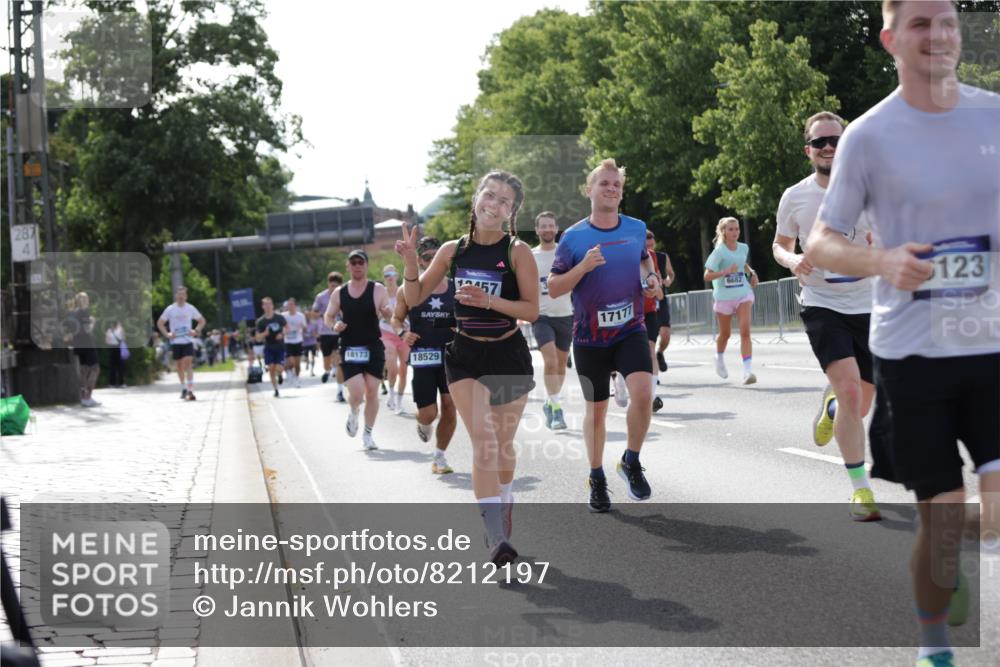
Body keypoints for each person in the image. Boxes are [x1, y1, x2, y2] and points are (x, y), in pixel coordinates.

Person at [805, 3, 999, 664]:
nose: (938, 34)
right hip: (914, 354)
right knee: (942, 520)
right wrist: (884, 260)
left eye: (946, 21)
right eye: (920, 23)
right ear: (890, 39)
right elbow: (823, 240)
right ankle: (934, 638)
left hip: (993, 343)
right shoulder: (868, 135)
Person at [398, 170, 538, 566]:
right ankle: (495, 536)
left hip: (508, 354)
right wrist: (411, 263)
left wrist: (488, 301)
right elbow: (414, 296)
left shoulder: (517, 252)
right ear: (476, 198)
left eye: (503, 201)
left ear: (511, 212)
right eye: (489, 195)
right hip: (465, 356)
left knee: (504, 446)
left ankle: (504, 503)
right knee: (485, 441)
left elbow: (531, 309)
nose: (493, 204)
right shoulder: (452, 250)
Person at [773, 110, 881, 521]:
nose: (829, 147)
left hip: (869, 303)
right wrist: (791, 259)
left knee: (860, 404)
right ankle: (860, 489)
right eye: (820, 142)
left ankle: (831, 409)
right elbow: (779, 244)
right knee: (852, 391)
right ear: (809, 150)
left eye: (836, 139)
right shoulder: (795, 196)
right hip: (822, 302)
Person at [547, 158, 661, 513]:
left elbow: (644, 261)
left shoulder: (636, 228)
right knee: (596, 412)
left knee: (643, 393)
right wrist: (583, 266)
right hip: (590, 339)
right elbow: (552, 288)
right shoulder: (574, 237)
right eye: (605, 184)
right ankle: (596, 476)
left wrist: (652, 279)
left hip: (630, 329)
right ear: (590, 190)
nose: (612, 189)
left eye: (617, 185)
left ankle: (631, 460)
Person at [392, 236, 458, 474]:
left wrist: (459, 326)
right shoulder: (407, 290)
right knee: (430, 414)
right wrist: (402, 332)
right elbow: (396, 318)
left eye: (436, 257)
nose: (432, 262)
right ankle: (423, 422)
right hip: (423, 355)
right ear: (418, 260)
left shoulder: (456, 287)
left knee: (450, 406)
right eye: (427, 258)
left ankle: (439, 457)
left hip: (452, 355)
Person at [325, 250, 393, 451]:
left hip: (373, 345)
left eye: (360, 262)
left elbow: (388, 314)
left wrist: (388, 313)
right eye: (353, 262)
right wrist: (334, 325)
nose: (357, 265)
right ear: (348, 266)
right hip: (350, 347)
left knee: (372, 391)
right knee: (357, 392)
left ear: (366, 265)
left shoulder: (377, 289)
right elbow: (328, 316)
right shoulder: (340, 293)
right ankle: (354, 411)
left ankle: (368, 434)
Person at [704, 217, 759, 384]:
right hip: (723, 298)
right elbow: (707, 275)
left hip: (743, 293)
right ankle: (719, 357)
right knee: (725, 334)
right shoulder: (719, 252)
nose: (735, 232)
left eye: (737, 229)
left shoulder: (744, 247)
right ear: (724, 232)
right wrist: (725, 272)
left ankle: (747, 371)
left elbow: (742, 263)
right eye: (731, 229)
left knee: (745, 331)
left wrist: (752, 272)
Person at [531, 212, 574, 430]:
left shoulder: (565, 253)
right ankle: (557, 410)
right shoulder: (530, 256)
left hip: (565, 314)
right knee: (550, 362)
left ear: (556, 229)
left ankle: (550, 401)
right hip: (541, 316)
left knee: (560, 364)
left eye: (551, 226)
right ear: (537, 230)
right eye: (543, 226)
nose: (547, 229)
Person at [157, 286, 206, 401]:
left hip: (188, 341)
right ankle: (183, 387)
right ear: (176, 296)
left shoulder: (190, 308)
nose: (181, 297)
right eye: (179, 295)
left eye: (183, 295)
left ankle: (190, 390)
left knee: (188, 363)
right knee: (179, 366)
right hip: (175, 342)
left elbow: (202, 321)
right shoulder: (170, 309)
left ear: (186, 296)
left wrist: (196, 331)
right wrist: (167, 334)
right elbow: (160, 323)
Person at [379, 264, 410, 414]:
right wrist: (383, 315)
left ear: (397, 275)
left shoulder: (404, 291)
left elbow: (412, 311)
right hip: (386, 333)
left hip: (404, 334)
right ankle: (390, 394)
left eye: (392, 273)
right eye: (386, 275)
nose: (390, 277)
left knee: (404, 371)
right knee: (392, 367)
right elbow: (374, 315)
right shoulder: (380, 293)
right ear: (383, 278)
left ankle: (399, 402)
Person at [641, 231, 666, 412]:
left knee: (650, 351)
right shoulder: (619, 256)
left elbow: (656, 282)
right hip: (627, 313)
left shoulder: (651, 257)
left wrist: (656, 288)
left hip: (649, 311)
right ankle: (618, 382)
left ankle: (652, 397)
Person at [314, 272, 346, 402]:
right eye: (332, 285)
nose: (334, 288)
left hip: (339, 332)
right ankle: (328, 371)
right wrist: (326, 314)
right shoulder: (321, 297)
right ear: (328, 284)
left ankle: (340, 391)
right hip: (325, 332)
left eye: (336, 285)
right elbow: (314, 313)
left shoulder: (344, 295)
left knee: (339, 360)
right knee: (327, 360)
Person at [68, 292, 100, 407]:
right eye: (86, 299)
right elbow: (88, 330)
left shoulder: (73, 313)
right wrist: (93, 322)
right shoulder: (85, 312)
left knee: (84, 370)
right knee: (95, 368)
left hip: (78, 345)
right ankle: (88, 396)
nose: (87, 301)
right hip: (87, 344)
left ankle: (84, 397)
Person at [254, 297, 288, 398]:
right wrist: (265, 333)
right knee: (271, 368)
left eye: (269, 304)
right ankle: (276, 389)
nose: (268, 307)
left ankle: (280, 374)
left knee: (279, 367)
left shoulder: (279, 317)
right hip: (269, 347)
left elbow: (287, 328)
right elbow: (257, 338)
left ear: (272, 306)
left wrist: (282, 334)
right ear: (263, 307)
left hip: (280, 346)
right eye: (266, 305)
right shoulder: (261, 321)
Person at [653, 241, 676, 373]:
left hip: (660, 300)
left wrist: (668, 280)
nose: (650, 245)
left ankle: (659, 353)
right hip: (643, 301)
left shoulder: (662, 257)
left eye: (652, 242)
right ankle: (653, 374)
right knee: (649, 339)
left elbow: (671, 274)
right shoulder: (637, 257)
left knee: (666, 334)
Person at [282, 297, 308, 388]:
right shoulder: (284, 316)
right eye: (289, 305)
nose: (290, 306)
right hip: (288, 341)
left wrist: (302, 327)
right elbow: (280, 328)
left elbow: (305, 327)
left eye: (292, 305)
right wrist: (284, 330)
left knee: (297, 363)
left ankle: (297, 378)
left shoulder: (300, 316)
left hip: (298, 340)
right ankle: (289, 372)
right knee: (290, 361)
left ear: (295, 306)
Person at [104, 320, 127, 388]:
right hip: (114, 347)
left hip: (116, 347)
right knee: (114, 366)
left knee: (118, 366)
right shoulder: (112, 330)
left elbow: (107, 341)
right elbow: (124, 338)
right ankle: (116, 383)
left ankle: (115, 383)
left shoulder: (114, 330)